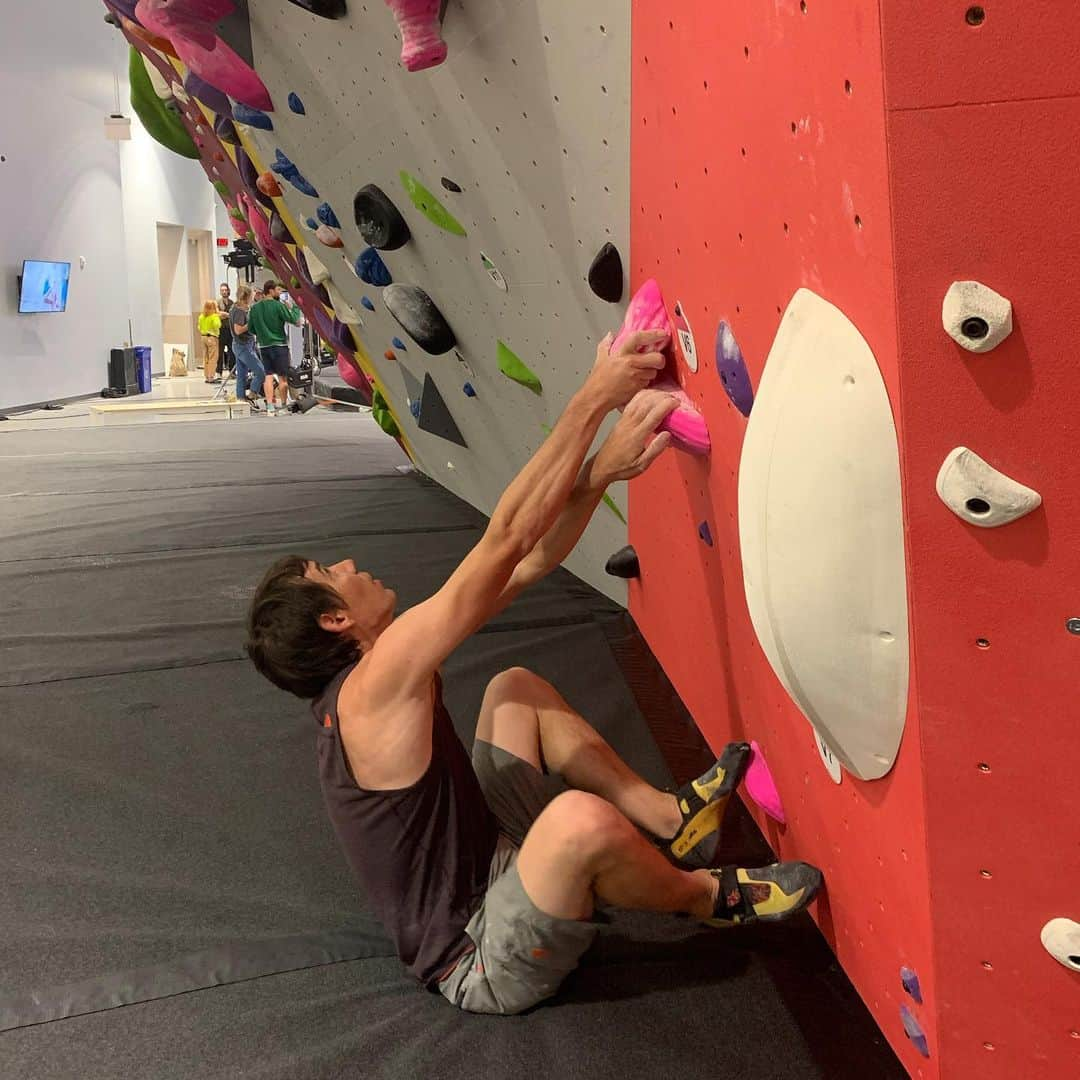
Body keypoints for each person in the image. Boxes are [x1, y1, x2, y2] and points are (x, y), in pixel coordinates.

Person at [245, 331, 823, 1016]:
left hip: (497, 857)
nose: (348, 566)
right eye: (329, 575)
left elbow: (522, 566)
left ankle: (671, 818)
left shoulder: (382, 667)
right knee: (579, 822)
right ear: (334, 622)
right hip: (482, 956)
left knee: (512, 689)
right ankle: (711, 899)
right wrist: (592, 400)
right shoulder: (372, 689)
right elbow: (507, 539)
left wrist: (601, 471)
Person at [248, 280, 302, 416]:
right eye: (278, 290)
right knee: (283, 378)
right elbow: (295, 320)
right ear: (271, 291)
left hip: (264, 346)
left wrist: (262, 334)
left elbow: (251, 328)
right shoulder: (278, 306)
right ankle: (283, 406)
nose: (279, 293)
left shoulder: (254, 308)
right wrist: (294, 307)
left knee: (268, 376)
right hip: (280, 345)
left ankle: (270, 407)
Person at [229, 285, 265, 409]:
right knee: (261, 372)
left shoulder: (239, 308)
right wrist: (251, 324)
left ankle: (241, 399)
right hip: (243, 346)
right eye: (251, 296)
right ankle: (252, 394)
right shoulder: (239, 311)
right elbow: (238, 330)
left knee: (242, 375)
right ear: (247, 297)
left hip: (243, 344)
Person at [197, 300, 221, 383]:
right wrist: (218, 316)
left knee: (206, 358)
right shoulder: (214, 316)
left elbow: (199, 327)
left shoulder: (201, 316)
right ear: (213, 308)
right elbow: (217, 325)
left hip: (203, 337)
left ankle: (207, 376)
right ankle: (211, 376)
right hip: (212, 337)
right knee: (213, 358)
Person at [217, 283, 234, 373]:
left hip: (230, 330)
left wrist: (225, 314)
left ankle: (232, 371)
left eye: (225, 290)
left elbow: (232, 315)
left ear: (228, 291)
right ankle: (219, 372)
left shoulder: (231, 303)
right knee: (220, 352)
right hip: (221, 330)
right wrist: (225, 314)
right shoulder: (217, 303)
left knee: (232, 351)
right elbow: (218, 315)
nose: (224, 292)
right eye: (222, 290)